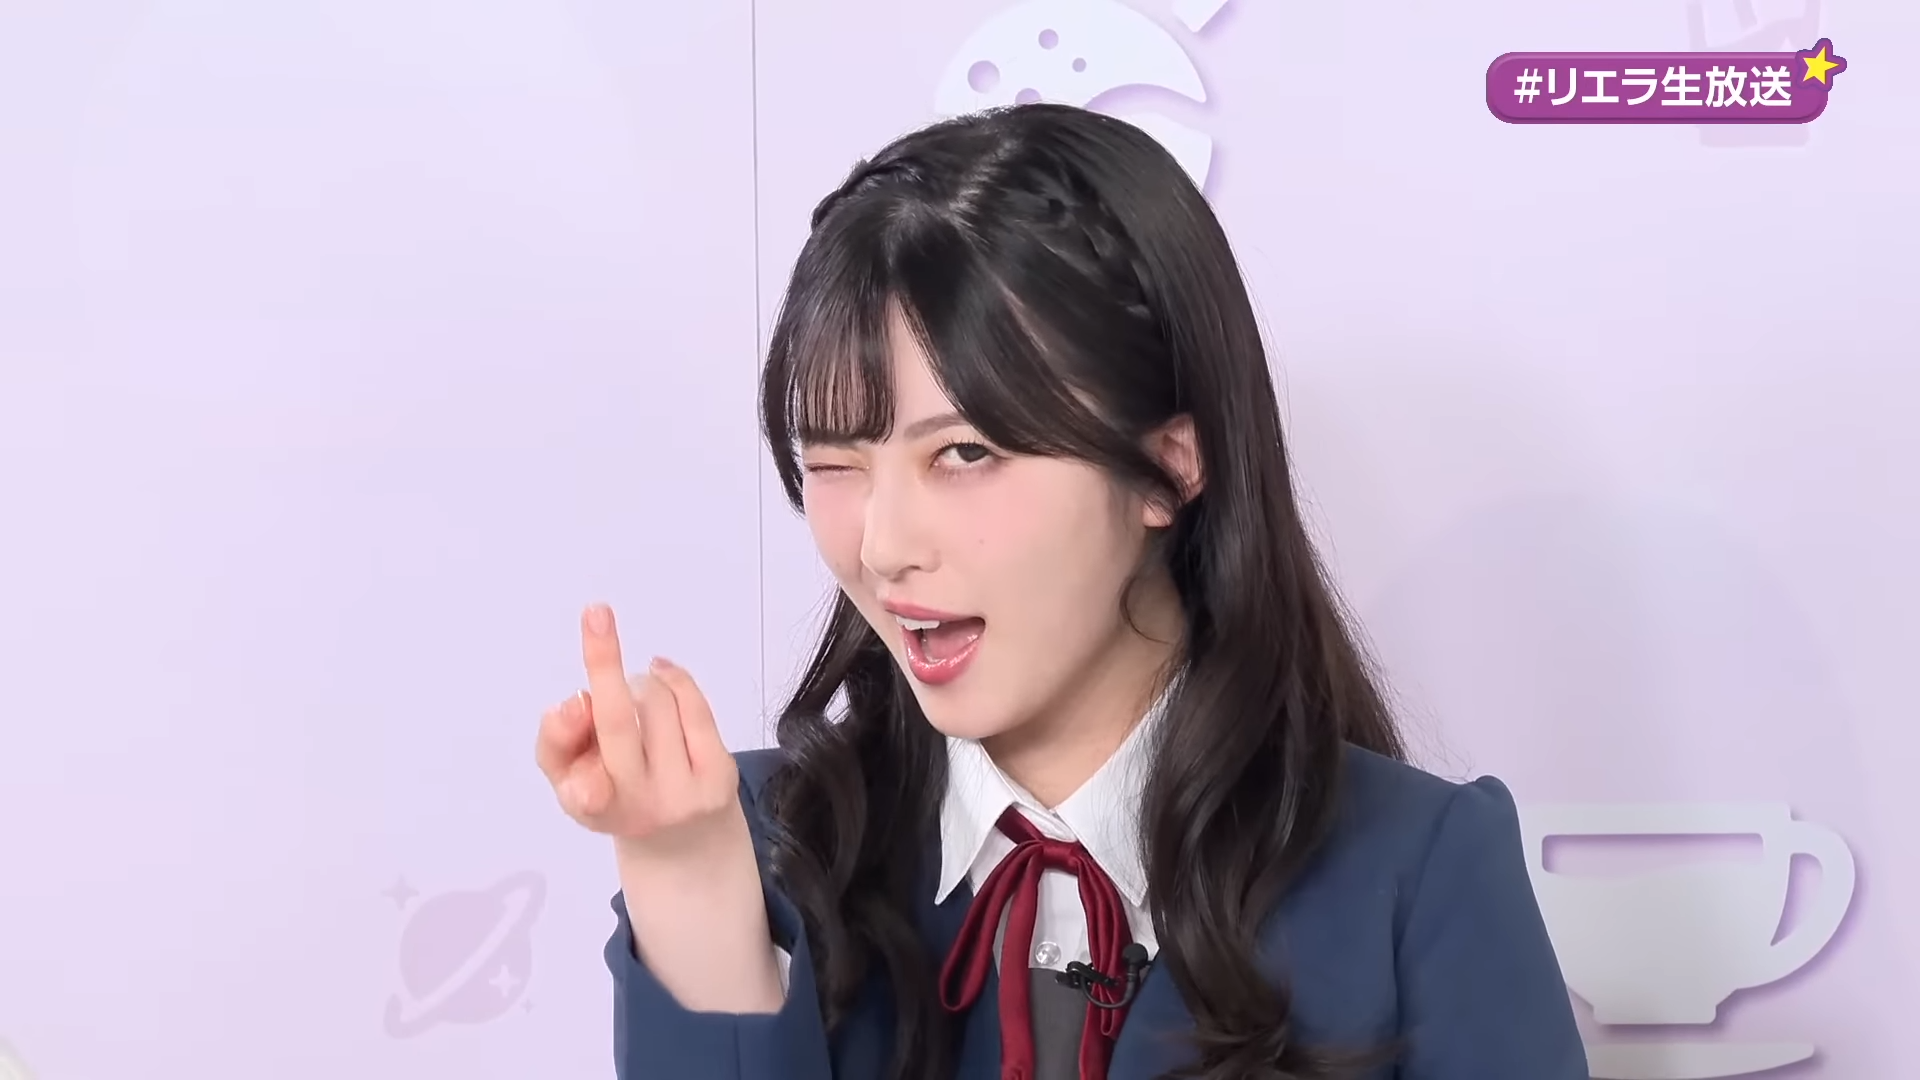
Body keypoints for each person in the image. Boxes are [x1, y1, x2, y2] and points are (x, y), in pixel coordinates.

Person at [534, 103, 1586, 1080]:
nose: (884, 547)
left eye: (964, 454)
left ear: (1169, 465)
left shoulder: (1413, 875)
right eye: (836, 463)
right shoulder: (763, 852)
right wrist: (688, 881)